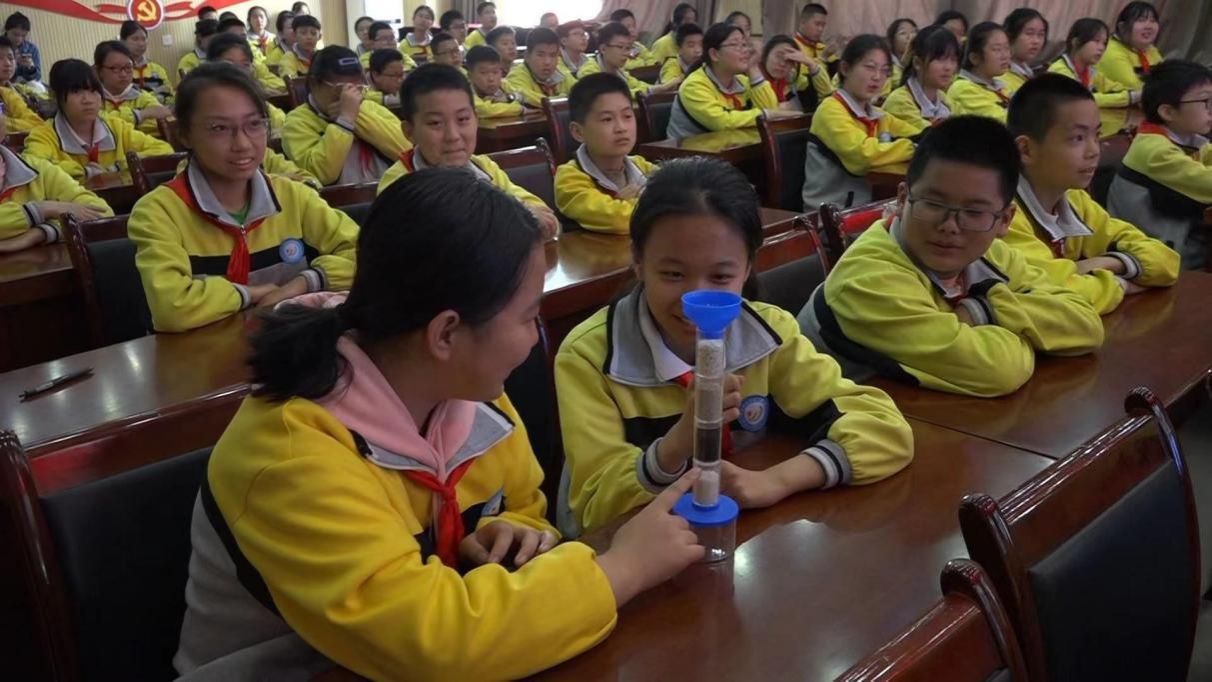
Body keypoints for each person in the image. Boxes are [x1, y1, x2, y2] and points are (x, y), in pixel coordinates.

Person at [173, 163, 704, 680]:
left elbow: (525, 506)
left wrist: (513, 533)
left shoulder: (470, 394)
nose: (534, 336)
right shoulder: (291, 456)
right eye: (527, 317)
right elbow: (434, 644)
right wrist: (622, 569)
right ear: (446, 333)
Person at [557, 156, 913, 534]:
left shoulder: (770, 333)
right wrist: (677, 443)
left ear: (746, 269)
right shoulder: (588, 356)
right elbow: (595, 510)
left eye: (720, 276)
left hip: (739, 532)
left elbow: (884, 429)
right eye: (673, 274)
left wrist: (778, 480)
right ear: (638, 262)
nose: (695, 299)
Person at [798, 115, 1105, 398]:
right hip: (829, 428)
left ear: (1004, 221)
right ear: (902, 199)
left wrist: (982, 311)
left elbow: (1085, 324)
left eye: (973, 212)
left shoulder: (991, 254)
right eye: (933, 204)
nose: (949, 226)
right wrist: (1036, 331)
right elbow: (1000, 370)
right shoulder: (867, 280)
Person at [129, 63, 357, 334]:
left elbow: (368, 255)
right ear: (184, 135)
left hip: (286, 346)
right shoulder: (158, 211)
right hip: (199, 354)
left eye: (254, 124)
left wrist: (303, 282)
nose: (243, 144)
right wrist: (249, 293)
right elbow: (171, 307)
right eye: (219, 128)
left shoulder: (293, 195)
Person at [1004, 74, 1177, 314]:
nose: (1094, 150)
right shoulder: (1001, 214)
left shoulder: (1074, 200)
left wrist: (1110, 262)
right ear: (1026, 150)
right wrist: (1122, 284)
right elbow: (1054, 295)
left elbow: (1166, 259)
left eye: (1096, 135)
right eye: (1078, 138)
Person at [377, 64, 559, 240]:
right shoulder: (398, 184)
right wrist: (516, 218)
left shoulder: (484, 168)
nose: (453, 136)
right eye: (435, 123)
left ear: (476, 120)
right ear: (409, 132)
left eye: (463, 119)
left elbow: (545, 218)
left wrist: (528, 217)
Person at [1109, 60, 1212, 269]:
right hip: (1155, 258)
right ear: (1168, 112)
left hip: (1179, 243)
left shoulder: (1188, 138)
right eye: (1206, 101)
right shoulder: (1154, 151)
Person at [802, 35, 921, 211]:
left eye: (884, 70)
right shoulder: (830, 110)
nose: (877, 77)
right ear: (845, 68)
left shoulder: (876, 114)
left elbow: (918, 133)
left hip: (867, 206)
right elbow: (863, 156)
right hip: (831, 214)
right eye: (870, 67)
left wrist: (931, 139)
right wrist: (913, 148)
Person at [24, 59, 173, 182]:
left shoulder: (116, 127)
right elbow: (33, 165)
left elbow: (164, 150)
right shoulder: (44, 135)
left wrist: (119, 166)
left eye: (93, 91)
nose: (88, 100)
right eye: (76, 92)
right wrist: (85, 172)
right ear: (55, 96)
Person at [281, 46, 410, 186]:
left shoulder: (370, 108)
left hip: (390, 189)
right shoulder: (297, 122)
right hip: (341, 198)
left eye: (357, 88)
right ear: (314, 83)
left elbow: (407, 151)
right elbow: (321, 174)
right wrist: (345, 121)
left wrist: (357, 116)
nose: (349, 96)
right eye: (341, 88)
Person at [554, 73, 656, 234]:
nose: (621, 128)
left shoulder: (641, 165)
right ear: (578, 132)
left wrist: (629, 202)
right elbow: (619, 220)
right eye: (607, 119)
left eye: (627, 116)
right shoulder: (569, 178)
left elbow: (682, 196)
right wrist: (656, 203)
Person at [0, 109, 112, 253]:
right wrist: (41, 210)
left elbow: (102, 213)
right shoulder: (44, 134)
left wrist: (42, 232)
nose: (87, 100)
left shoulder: (36, 168)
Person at [665, 22, 790, 140]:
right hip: (688, 153)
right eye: (735, 45)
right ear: (714, 54)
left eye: (744, 44)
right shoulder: (694, 86)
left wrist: (753, 69)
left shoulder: (742, 81)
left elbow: (771, 110)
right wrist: (765, 114)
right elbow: (721, 122)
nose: (745, 51)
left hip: (731, 147)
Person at [1048, 18, 1138, 108]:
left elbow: (1113, 87)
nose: (1101, 48)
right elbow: (1082, 100)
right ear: (1076, 42)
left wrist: (1135, 93)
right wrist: (1129, 98)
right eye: (1096, 41)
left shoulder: (1090, 71)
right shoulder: (1059, 70)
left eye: (1104, 43)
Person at [207, 33, 287, 134]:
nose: (239, 71)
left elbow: (280, 122)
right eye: (229, 64)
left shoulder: (257, 102)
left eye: (245, 65)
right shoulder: (204, 102)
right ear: (211, 66)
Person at [883, 26, 959, 130]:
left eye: (953, 59)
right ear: (917, 63)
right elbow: (931, 135)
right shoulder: (899, 102)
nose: (948, 67)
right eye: (940, 59)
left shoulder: (944, 100)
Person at [578, 23, 679, 99]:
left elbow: (640, 86)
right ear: (603, 49)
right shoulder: (589, 72)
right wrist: (660, 88)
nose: (626, 53)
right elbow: (610, 96)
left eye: (627, 48)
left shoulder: (620, 72)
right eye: (620, 47)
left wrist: (663, 87)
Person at [94, 41, 172, 136]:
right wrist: (141, 115)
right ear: (99, 71)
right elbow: (98, 124)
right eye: (115, 68)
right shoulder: (92, 99)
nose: (123, 74)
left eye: (128, 67)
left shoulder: (143, 97)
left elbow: (158, 122)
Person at [947, 22, 1012, 122]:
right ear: (975, 58)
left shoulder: (1001, 87)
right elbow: (1002, 122)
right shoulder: (963, 88)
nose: (1005, 56)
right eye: (997, 49)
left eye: (1007, 48)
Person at [1101, 1, 1164, 91]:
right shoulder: (1111, 52)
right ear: (1122, 27)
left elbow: (1167, 77)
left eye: (1153, 21)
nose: (1149, 26)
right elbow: (1137, 88)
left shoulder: (1150, 49)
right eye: (1141, 20)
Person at [758, 34, 830, 112]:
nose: (782, 63)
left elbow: (826, 94)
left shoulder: (792, 80)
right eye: (779, 56)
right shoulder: (752, 79)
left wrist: (811, 64)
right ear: (765, 55)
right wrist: (777, 111)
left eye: (789, 60)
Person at [504, 28, 572, 108]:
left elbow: (581, 92)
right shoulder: (516, 76)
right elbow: (523, 95)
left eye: (553, 55)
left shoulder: (561, 72)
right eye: (540, 55)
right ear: (527, 56)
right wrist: (564, 99)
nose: (547, 62)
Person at [218, 18, 286, 94]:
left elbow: (282, 84)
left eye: (243, 37)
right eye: (234, 37)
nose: (240, 41)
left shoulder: (254, 63)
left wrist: (258, 83)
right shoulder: (216, 71)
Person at [120, 21, 173, 104]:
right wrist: (156, 93)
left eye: (144, 39)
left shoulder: (157, 69)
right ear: (122, 41)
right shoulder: (119, 70)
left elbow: (168, 94)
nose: (141, 44)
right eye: (135, 39)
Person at [466, 45, 523, 118]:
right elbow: (484, 110)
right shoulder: (465, 93)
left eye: (495, 72)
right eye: (484, 73)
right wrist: (520, 109)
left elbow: (523, 97)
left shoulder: (503, 84)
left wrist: (507, 98)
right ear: (470, 76)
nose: (491, 79)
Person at [0, 37, 43, 133]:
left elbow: (37, 123)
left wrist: (4, 123)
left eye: (11, 58)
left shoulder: (20, 90)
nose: (7, 63)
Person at [1002, 8, 1048, 93]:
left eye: (1041, 34)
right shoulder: (999, 77)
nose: (1036, 41)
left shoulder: (1028, 72)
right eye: (1029, 33)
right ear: (1009, 35)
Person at [794, 3, 837, 71]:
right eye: (817, 24)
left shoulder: (823, 48)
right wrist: (823, 58)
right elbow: (802, 75)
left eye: (823, 25)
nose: (820, 29)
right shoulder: (793, 47)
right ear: (803, 22)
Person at [278, 15, 323, 79]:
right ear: (294, 35)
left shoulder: (322, 57)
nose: (309, 37)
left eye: (313, 33)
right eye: (303, 33)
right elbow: (291, 82)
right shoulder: (289, 58)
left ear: (319, 37)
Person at [886, 18, 919, 97]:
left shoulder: (919, 63)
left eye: (913, 32)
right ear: (892, 40)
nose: (909, 37)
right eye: (903, 33)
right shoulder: (887, 64)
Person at [4, 13, 39, 84]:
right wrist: (14, 64)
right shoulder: (1, 46)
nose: (19, 39)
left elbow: (38, 77)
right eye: (15, 34)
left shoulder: (32, 49)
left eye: (23, 35)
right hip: (3, 82)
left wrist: (31, 69)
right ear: (7, 30)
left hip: (24, 85)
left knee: (38, 86)